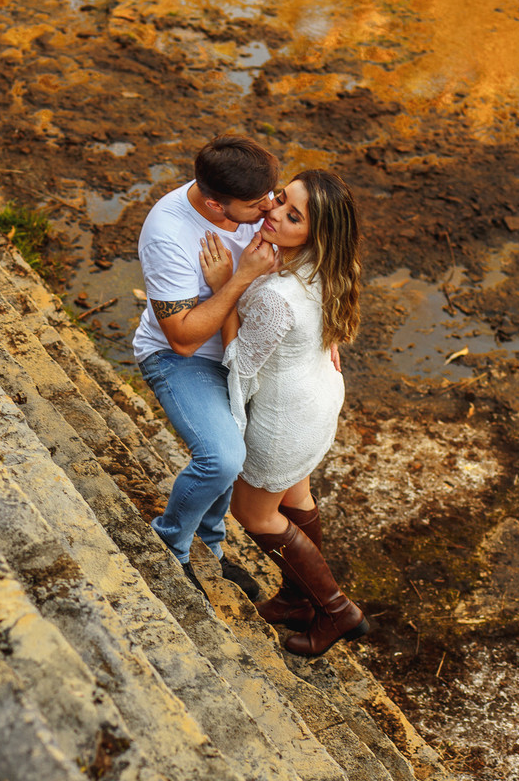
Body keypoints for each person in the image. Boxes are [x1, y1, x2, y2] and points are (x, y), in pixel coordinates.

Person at [201, 168, 367, 656]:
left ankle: (336, 610)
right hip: (317, 397)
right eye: (280, 200)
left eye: (293, 217)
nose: (273, 213)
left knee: (253, 513)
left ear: (316, 234)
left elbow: (238, 362)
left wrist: (226, 287)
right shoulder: (328, 264)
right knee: (295, 494)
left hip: (284, 421)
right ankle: (297, 599)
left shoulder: (277, 295)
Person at [132, 134, 282, 601]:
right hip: (183, 359)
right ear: (217, 206)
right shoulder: (169, 234)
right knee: (222, 458)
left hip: (242, 350)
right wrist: (239, 279)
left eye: (272, 193)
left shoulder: (255, 198)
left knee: (252, 447)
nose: (270, 207)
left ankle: (210, 545)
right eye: (257, 204)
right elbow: (182, 337)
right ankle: (171, 543)